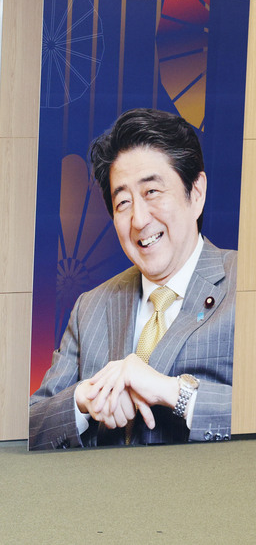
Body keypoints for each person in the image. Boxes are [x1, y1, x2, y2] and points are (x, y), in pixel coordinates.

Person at [29, 108, 236, 450]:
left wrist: (174, 393)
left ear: (195, 192)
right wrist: (83, 400)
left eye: (152, 192)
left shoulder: (245, 286)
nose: (139, 219)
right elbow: (31, 426)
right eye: (123, 201)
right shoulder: (91, 307)